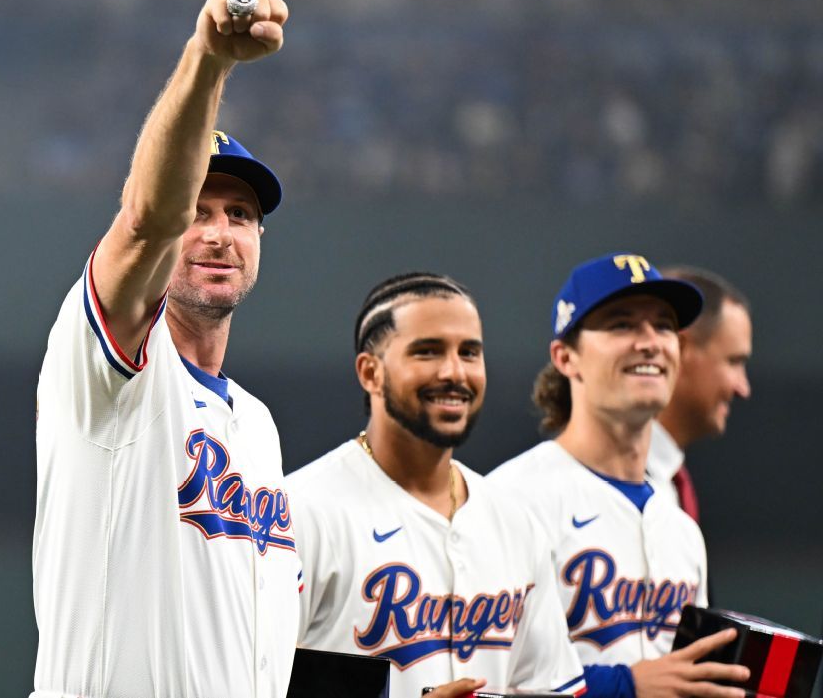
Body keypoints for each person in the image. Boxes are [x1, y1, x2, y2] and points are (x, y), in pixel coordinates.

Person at [31, 0, 298, 698]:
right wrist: (208, 59)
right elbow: (150, 218)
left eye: (239, 214)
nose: (216, 232)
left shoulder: (260, 426)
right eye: (199, 210)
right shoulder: (110, 367)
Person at [287, 273, 587, 697]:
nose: (454, 372)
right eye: (427, 352)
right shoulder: (301, 509)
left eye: (469, 352)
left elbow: (553, 688)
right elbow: (251, 683)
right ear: (370, 373)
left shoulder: (516, 521)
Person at [488, 253, 750, 698]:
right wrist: (623, 687)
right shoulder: (508, 500)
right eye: (621, 324)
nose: (649, 341)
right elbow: (482, 676)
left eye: (664, 325)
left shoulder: (681, 529)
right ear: (566, 357)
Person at [648, 267, 752, 522]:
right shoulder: (585, 483)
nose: (743, 388)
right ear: (679, 350)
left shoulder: (669, 484)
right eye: (734, 362)